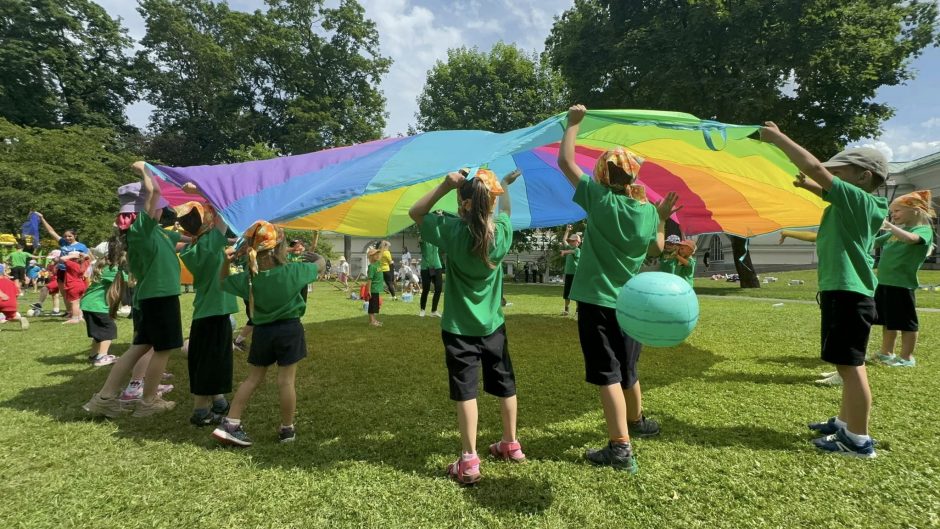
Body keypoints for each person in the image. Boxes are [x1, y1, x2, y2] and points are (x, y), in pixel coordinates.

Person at [558, 104, 678, 473]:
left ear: (603, 176)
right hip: (632, 304)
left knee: (607, 374)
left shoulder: (599, 199)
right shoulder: (645, 211)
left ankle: (620, 446)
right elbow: (657, 249)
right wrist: (660, 217)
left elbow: (565, 162)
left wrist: (573, 125)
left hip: (597, 302)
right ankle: (638, 421)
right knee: (629, 368)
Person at [761, 124, 888, 459]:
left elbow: (814, 167)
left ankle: (858, 440)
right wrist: (812, 188)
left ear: (863, 177)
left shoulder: (862, 201)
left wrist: (777, 138)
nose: (829, 176)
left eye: (839, 172)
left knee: (850, 366)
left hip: (850, 294)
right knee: (846, 365)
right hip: (843, 292)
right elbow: (821, 181)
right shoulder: (853, 205)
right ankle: (845, 423)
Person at [409, 166, 524, 485]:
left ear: (464, 202)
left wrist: (445, 184)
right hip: (493, 327)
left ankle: (470, 460)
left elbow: (416, 212)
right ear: (490, 202)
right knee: (505, 384)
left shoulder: (451, 230)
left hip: (459, 329)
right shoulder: (501, 232)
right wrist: (505, 187)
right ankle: (510, 443)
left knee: (466, 391)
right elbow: (507, 211)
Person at [82, 161, 182, 418]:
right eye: (157, 208)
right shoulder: (141, 230)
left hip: (150, 298)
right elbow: (154, 193)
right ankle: (148, 401)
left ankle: (104, 398)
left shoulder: (155, 233)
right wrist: (146, 170)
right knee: (163, 349)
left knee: (139, 348)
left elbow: (183, 240)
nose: (161, 210)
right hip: (160, 297)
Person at [212, 220, 320, 446]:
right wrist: (319, 258)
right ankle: (287, 429)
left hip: (261, 332)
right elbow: (319, 265)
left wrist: (224, 262)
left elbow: (223, 283)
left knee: (252, 379)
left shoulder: (249, 279)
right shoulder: (294, 271)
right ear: (280, 246)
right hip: (290, 330)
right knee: (286, 382)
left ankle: (231, 422)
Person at [176, 189, 239, 426]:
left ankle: (219, 401)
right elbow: (222, 207)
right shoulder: (211, 241)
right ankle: (200, 411)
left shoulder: (193, 248)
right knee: (208, 362)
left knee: (213, 359)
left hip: (207, 311)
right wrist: (202, 189)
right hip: (214, 312)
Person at [870, 191, 936, 368]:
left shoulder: (923, 230)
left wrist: (890, 226)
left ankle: (907, 358)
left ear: (915, 210)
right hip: (884, 283)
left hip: (902, 285)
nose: (894, 215)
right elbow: (873, 243)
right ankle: (886, 352)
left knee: (906, 323)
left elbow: (911, 239)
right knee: (887, 321)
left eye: (897, 211)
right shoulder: (897, 231)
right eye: (892, 213)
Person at [36, 212, 89, 318]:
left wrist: (83, 270)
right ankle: (69, 312)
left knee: (74, 292)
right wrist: (42, 218)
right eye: (65, 236)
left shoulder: (81, 246)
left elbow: (87, 258)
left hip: (73, 272)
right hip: (62, 270)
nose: (67, 238)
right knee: (64, 292)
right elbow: (51, 231)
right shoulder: (63, 243)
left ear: (75, 236)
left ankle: (79, 312)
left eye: (70, 236)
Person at [80, 245, 121, 366]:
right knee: (109, 329)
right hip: (96, 305)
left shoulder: (105, 267)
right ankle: (102, 357)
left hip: (89, 304)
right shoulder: (112, 269)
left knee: (99, 332)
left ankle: (94, 355)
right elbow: (127, 281)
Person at [60, 251, 90, 324]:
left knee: (74, 302)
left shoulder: (72, 264)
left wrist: (72, 256)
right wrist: (82, 255)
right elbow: (88, 258)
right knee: (78, 301)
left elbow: (62, 258)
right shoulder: (84, 264)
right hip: (81, 284)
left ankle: (74, 318)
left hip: (73, 285)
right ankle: (80, 316)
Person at [419, 231, 444, 317]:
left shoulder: (436, 239)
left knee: (438, 288)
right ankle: (422, 309)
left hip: (437, 266)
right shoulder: (423, 239)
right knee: (426, 289)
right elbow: (421, 236)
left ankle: (434, 310)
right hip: (425, 267)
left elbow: (440, 232)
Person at [559, 224, 581, 315]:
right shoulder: (569, 247)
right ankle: (566, 310)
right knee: (566, 293)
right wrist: (567, 230)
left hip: (575, 274)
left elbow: (571, 252)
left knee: (576, 293)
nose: (571, 242)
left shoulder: (577, 250)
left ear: (578, 242)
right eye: (571, 241)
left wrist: (564, 252)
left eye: (573, 241)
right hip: (568, 274)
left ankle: (577, 311)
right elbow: (564, 240)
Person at [365, 247, 383, 326]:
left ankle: (373, 320)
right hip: (373, 289)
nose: (377, 255)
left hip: (377, 289)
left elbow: (381, 254)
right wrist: (368, 290)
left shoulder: (378, 263)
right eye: (375, 254)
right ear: (371, 257)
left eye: (377, 254)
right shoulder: (372, 266)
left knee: (374, 305)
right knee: (372, 306)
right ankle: (372, 321)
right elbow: (369, 280)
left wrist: (383, 245)